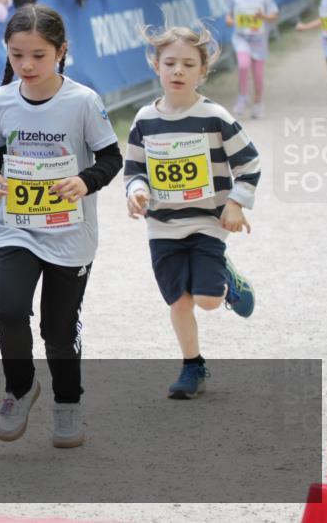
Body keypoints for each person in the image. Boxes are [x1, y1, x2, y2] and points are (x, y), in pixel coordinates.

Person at [0, 5, 121, 449]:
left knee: (58, 331)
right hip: (16, 228)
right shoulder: (0, 101)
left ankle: (67, 404)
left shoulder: (82, 102)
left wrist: (83, 180)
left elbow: (111, 159)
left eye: (38, 55)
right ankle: (19, 389)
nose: (27, 65)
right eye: (17, 55)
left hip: (69, 234)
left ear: (61, 52)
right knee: (10, 310)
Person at [125, 25, 260, 399]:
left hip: (207, 222)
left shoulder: (214, 116)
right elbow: (134, 168)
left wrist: (235, 202)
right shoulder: (143, 120)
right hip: (162, 226)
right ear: (156, 66)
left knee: (208, 301)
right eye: (170, 63)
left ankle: (226, 279)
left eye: (188, 64)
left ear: (204, 71)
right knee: (179, 301)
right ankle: (192, 367)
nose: (178, 71)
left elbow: (249, 163)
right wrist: (136, 191)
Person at [225, 0, 278, 119]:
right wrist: (228, 19)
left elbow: (274, 15)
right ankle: (242, 97)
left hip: (259, 42)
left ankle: (258, 102)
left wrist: (263, 16)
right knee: (243, 65)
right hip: (241, 38)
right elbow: (228, 13)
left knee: (258, 76)